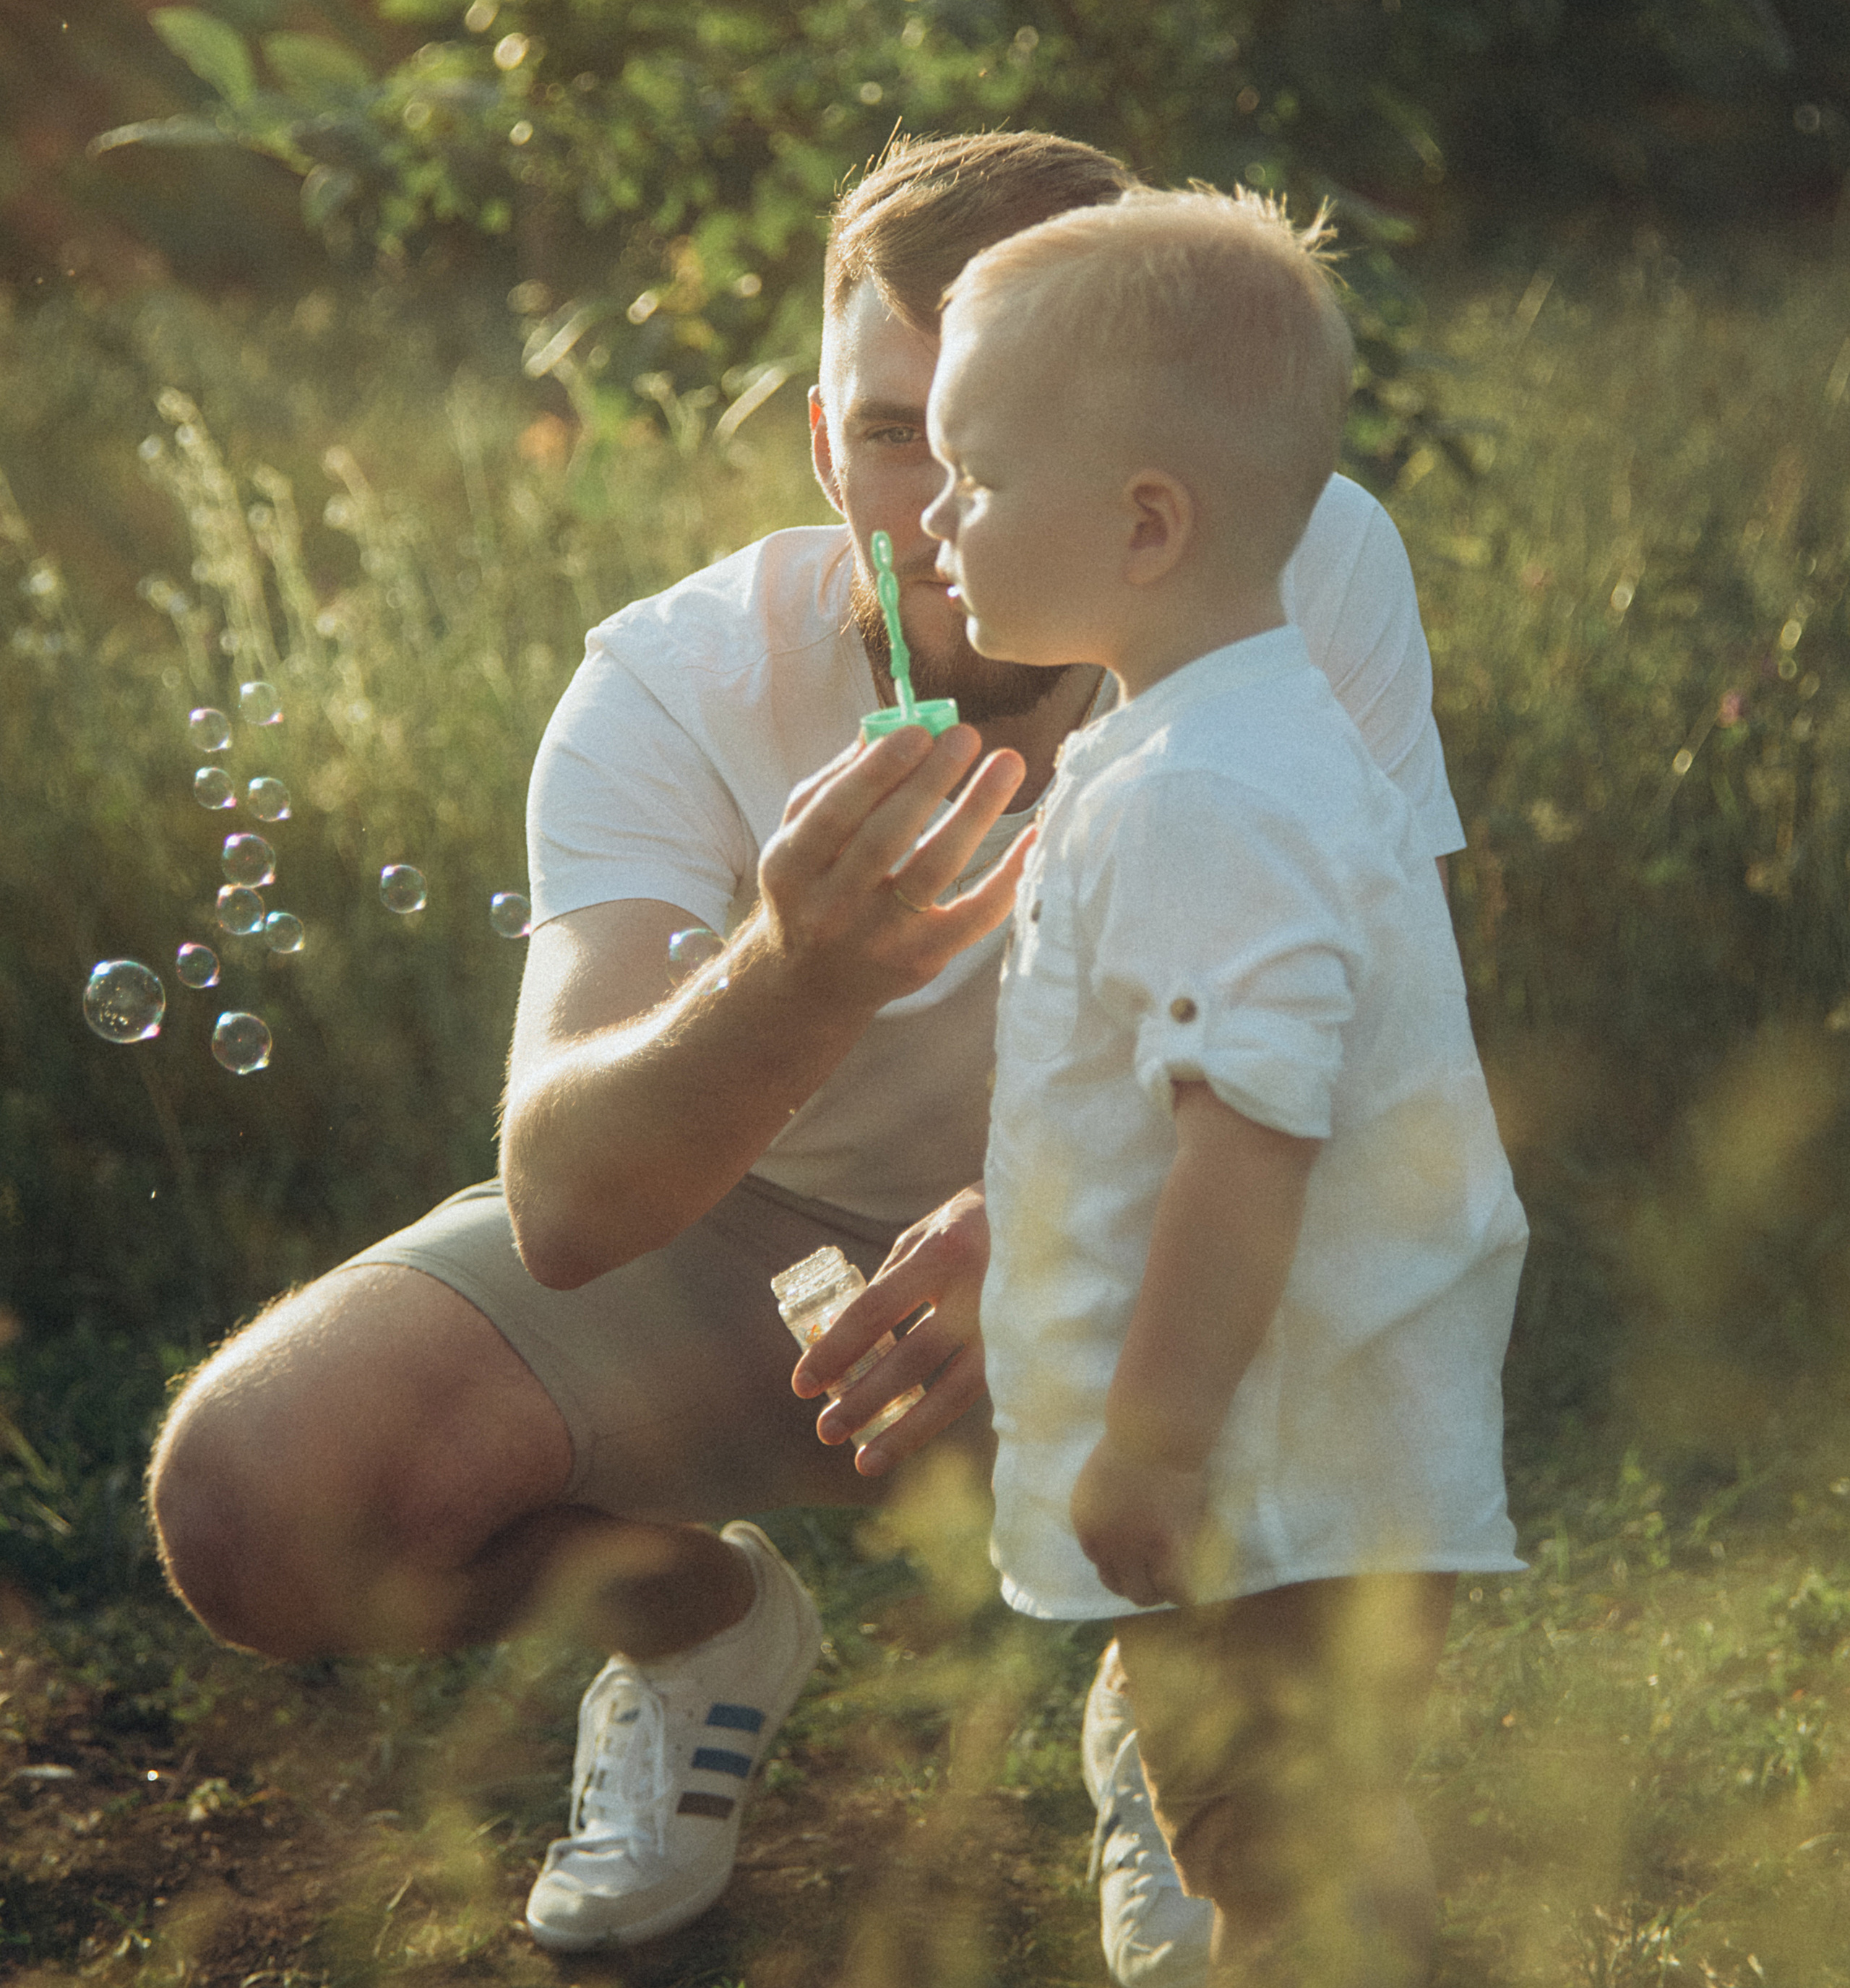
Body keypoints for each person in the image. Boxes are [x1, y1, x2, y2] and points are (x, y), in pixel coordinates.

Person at [144, 132, 1470, 1971]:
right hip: (765, 1269)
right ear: (822, 444)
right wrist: (796, 969)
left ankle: (1200, 1715)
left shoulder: (1303, 568)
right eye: (889, 430)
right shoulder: (672, 683)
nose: (935, 506)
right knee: (255, 1500)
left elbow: (1385, 1044)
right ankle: (698, 1629)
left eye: (1014, 428)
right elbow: (566, 1197)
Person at [920, 184, 1528, 1987]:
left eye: (973, 476)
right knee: (1310, 1842)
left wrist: (1155, 1440)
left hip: (1267, 1486)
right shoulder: (1200, 737)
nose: (936, 521)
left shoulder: (1205, 792)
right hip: (1303, 1471)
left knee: (1274, 1880)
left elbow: (1247, 1143)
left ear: (1144, 522)